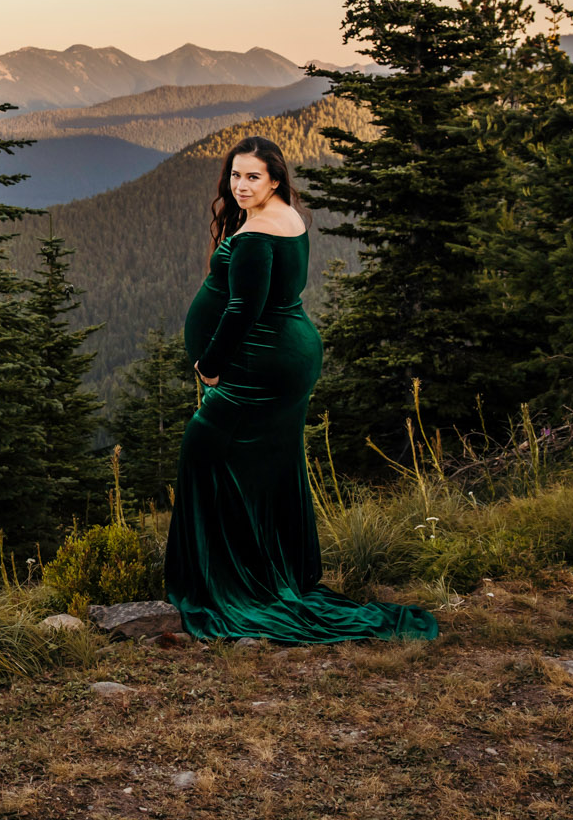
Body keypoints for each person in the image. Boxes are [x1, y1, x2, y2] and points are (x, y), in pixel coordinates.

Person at [163, 134, 436, 644]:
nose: (240, 186)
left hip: (259, 367)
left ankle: (232, 584)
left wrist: (210, 367)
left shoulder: (258, 236)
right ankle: (271, 567)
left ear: (276, 179)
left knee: (203, 452)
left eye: (253, 177)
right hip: (286, 356)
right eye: (235, 176)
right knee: (266, 467)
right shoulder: (287, 215)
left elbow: (244, 309)